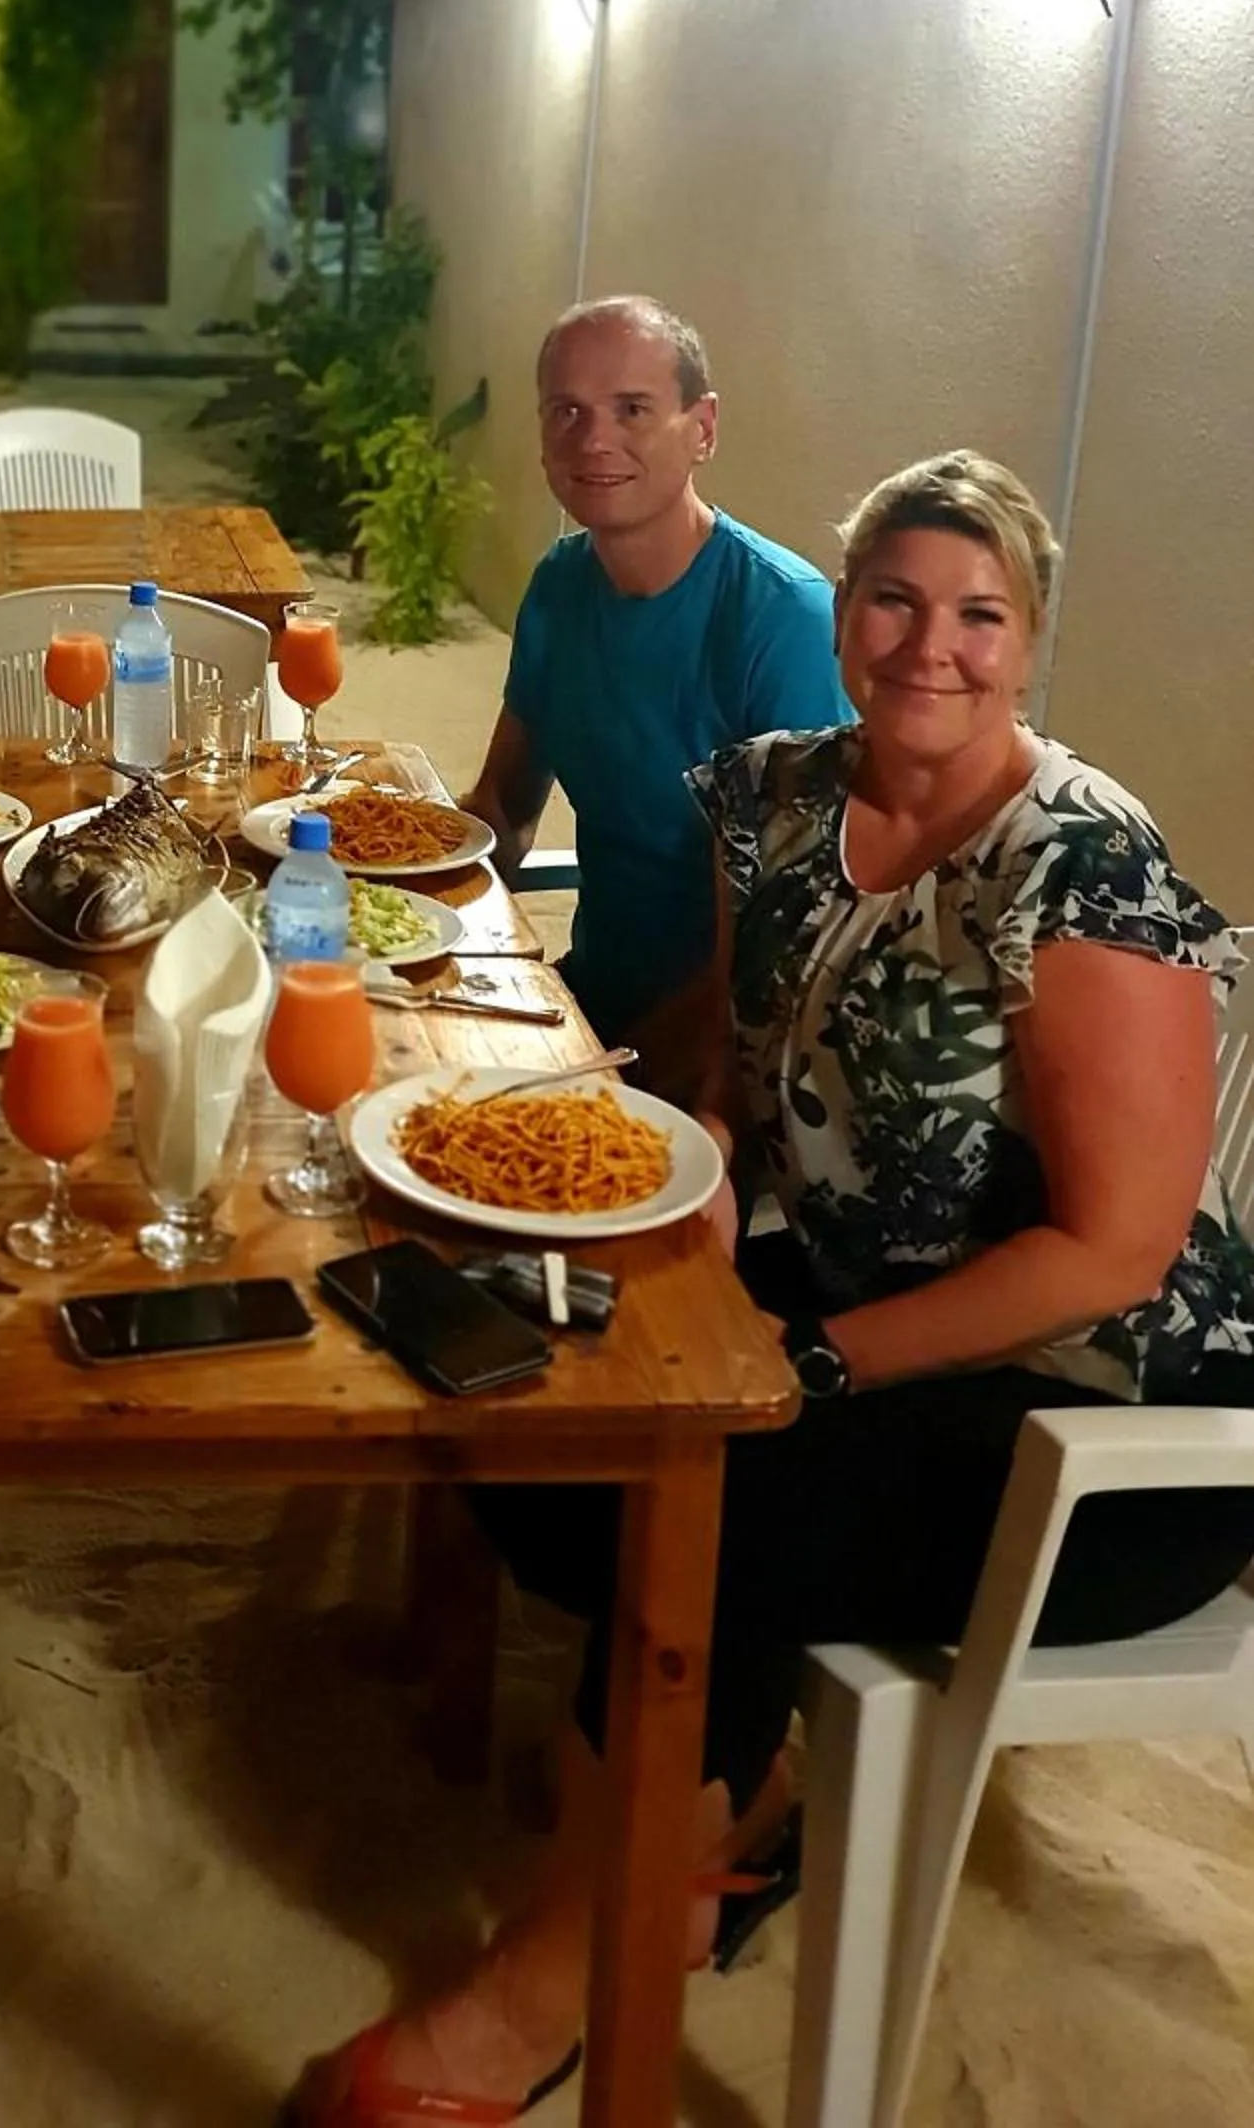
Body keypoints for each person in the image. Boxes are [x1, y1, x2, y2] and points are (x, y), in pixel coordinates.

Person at [297, 447, 1254, 2125]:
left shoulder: (1079, 864)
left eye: (980, 612)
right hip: (859, 1298)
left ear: (1029, 642)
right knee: (507, 1396)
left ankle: (553, 1982)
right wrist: (606, 1131)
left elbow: (1115, 1251)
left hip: (1106, 1417)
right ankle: (708, 1807)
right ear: (846, 610)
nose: (928, 644)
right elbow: (726, 1055)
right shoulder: (780, 791)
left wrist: (811, 1358)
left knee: (713, 1496)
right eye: (894, 597)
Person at [462, 296, 847, 1050]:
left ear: (702, 429)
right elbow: (503, 813)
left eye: (632, 409)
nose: (594, 440)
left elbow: (796, 942)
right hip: (586, 998)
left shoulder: (782, 617)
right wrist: (384, 875)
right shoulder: (560, 584)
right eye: (566, 412)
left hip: (724, 1053)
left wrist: (612, 1071)